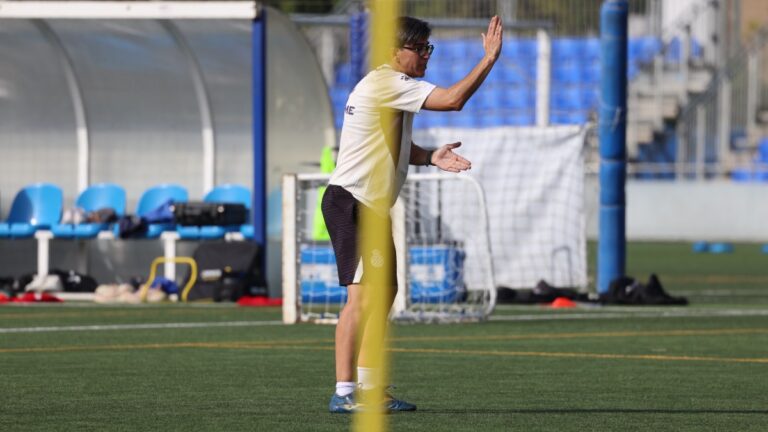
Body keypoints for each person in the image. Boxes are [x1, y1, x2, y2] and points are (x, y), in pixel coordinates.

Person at [323, 15, 503, 414]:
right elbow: (453, 100)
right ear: (393, 53)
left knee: (384, 293)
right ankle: (344, 392)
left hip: (368, 206)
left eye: (428, 48)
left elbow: (392, 142)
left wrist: (429, 157)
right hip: (351, 202)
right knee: (362, 299)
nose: (425, 56)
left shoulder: (389, 86)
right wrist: (488, 59)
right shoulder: (388, 81)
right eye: (418, 49)